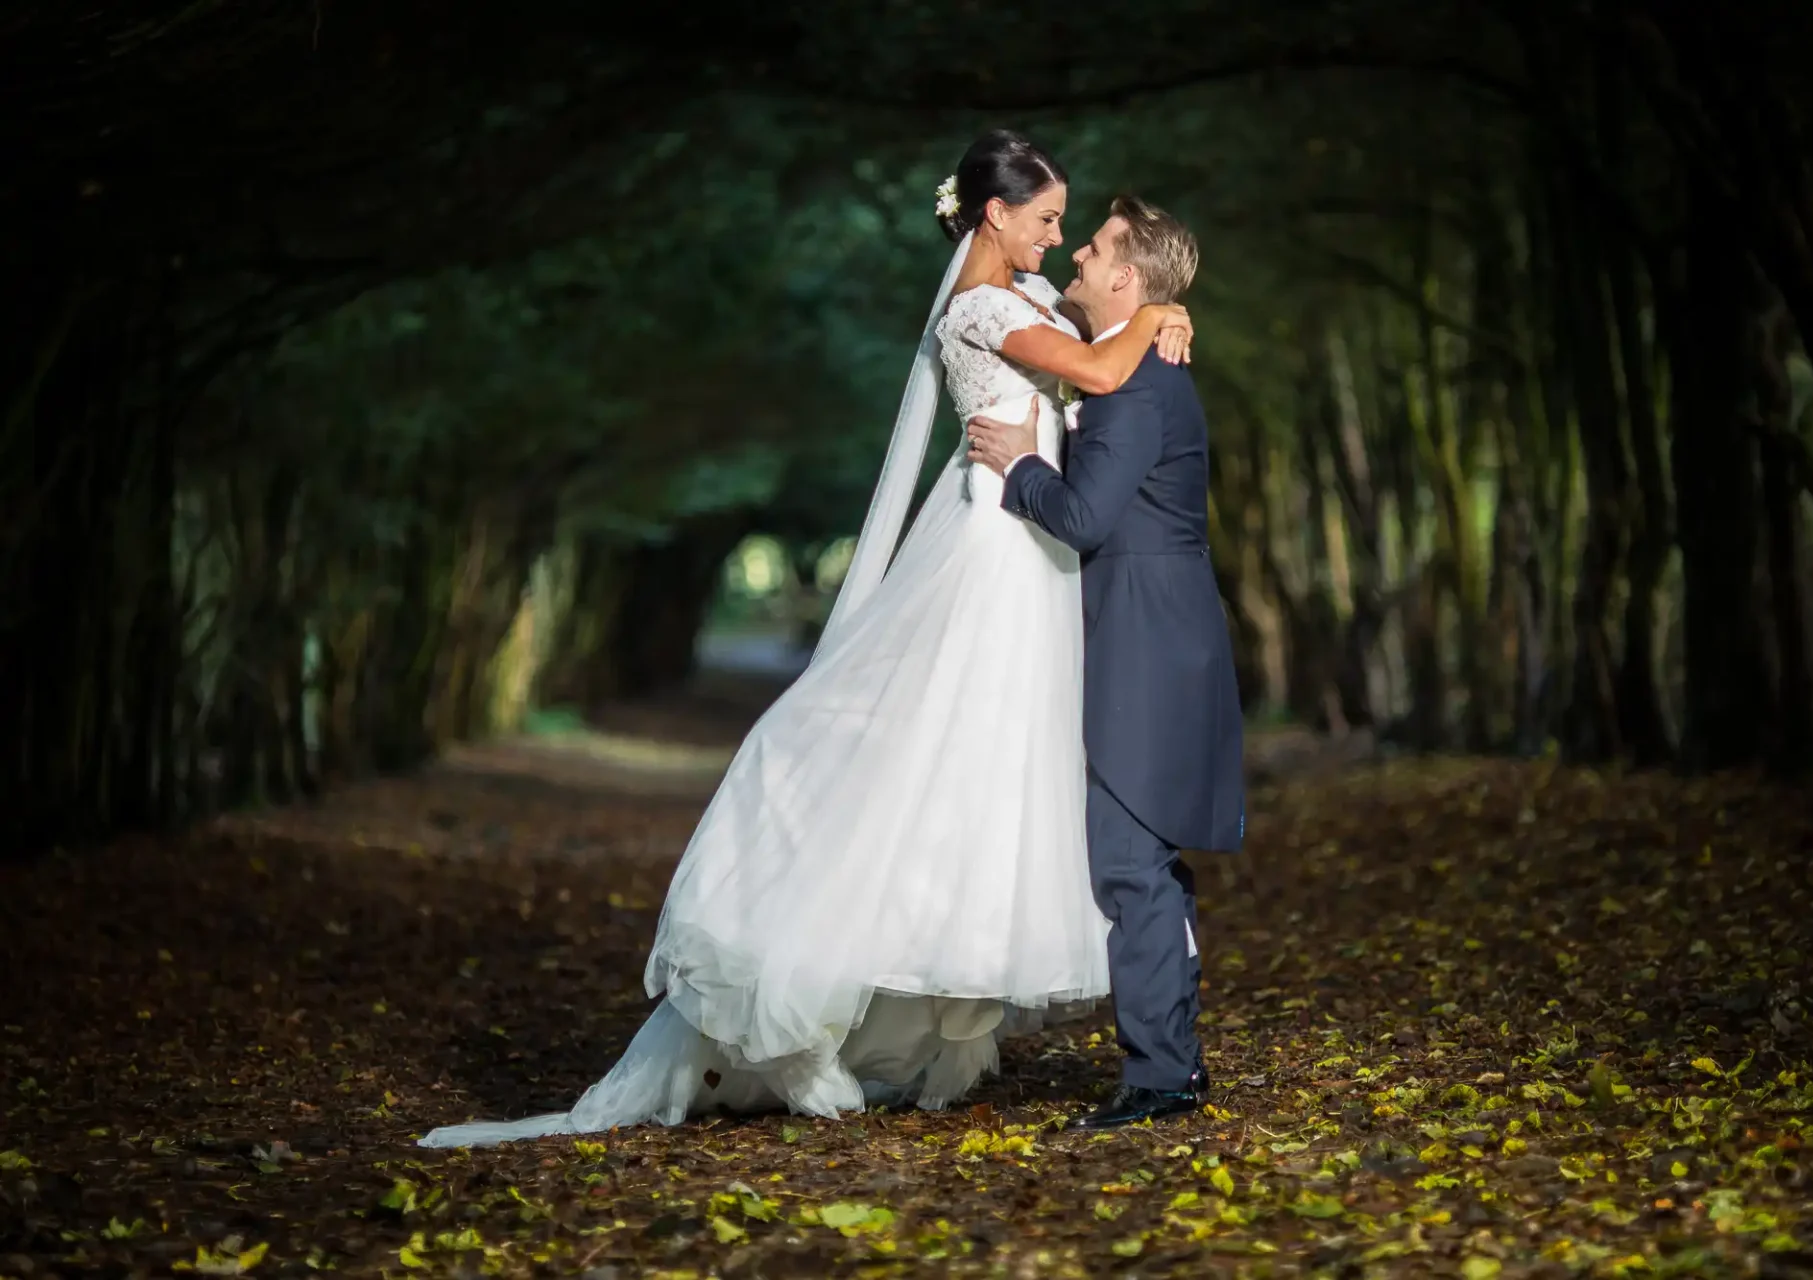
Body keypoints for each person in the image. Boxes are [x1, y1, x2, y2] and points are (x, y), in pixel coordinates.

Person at [417, 130, 1194, 1146]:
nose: (1059, 236)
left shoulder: (1031, 297)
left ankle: (923, 975)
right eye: (1048, 218)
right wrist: (1167, 313)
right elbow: (1095, 372)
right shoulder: (983, 308)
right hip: (992, 557)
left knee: (980, 770)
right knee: (916, 755)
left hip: (1031, 559)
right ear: (996, 216)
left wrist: (1146, 321)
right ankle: (805, 978)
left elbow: (1093, 361)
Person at [965, 196, 1243, 1129]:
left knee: (1129, 865)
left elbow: (1084, 520)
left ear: (1124, 276)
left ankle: (1163, 1077)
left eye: (1092, 249)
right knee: (1145, 862)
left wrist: (1018, 464)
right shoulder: (1134, 362)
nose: (1072, 258)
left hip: (1146, 639)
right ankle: (1176, 1063)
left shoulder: (1131, 387)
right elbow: (1015, 282)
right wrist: (1167, 311)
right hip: (1149, 629)